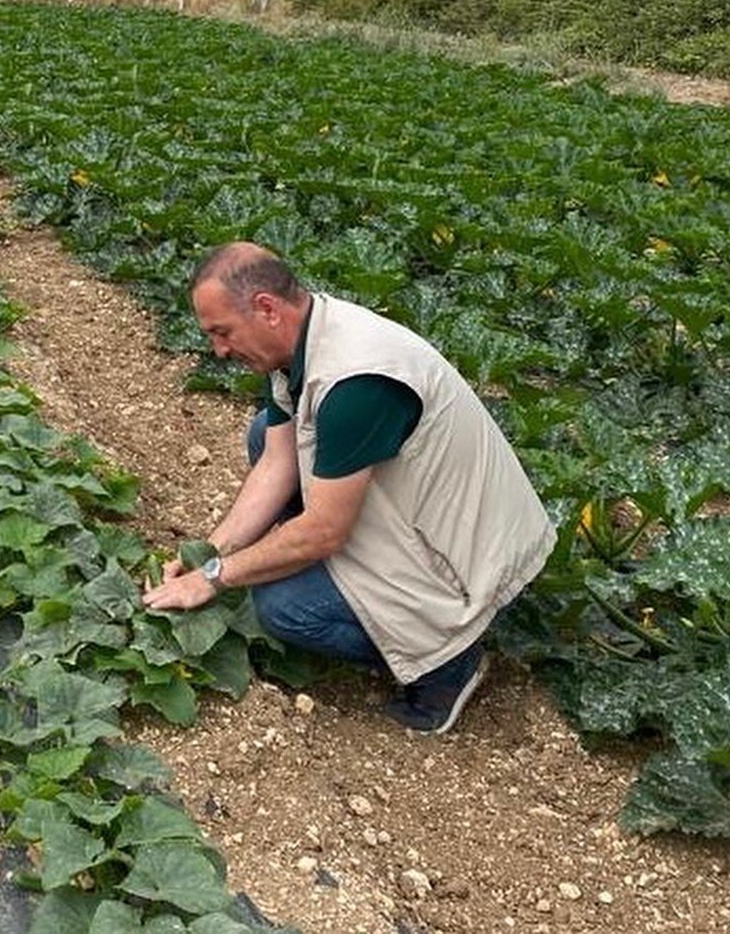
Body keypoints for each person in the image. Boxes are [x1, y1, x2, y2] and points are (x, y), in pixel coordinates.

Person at [143, 241, 555, 734]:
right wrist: (207, 554)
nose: (219, 350)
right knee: (267, 435)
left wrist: (213, 578)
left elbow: (323, 533)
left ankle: (446, 662)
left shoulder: (355, 382)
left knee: (282, 609)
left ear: (266, 309)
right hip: (422, 513)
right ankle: (347, 585)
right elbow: (276, 463)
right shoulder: (304, 341)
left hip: (465, 559)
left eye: (222, 332)